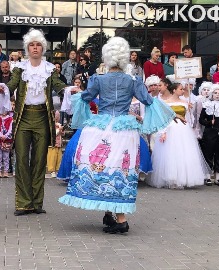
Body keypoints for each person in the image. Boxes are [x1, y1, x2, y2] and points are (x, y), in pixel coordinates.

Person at [58, 37, 176, 234]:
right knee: (120, 170)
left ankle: (121, 220)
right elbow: (148, 101)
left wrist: (77, 93)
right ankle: (112, 214)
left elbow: (85, 99)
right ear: (124, 59)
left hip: (101, 128)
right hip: (124, 130)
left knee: (101, 168)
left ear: (107, 56)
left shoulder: (98, 79)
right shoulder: (133, 81)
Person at [0, 28, 67, 216]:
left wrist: (69, 91)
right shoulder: (20, 68)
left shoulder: (50, 69)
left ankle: (36, 203)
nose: (35, 48)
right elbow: (12, 84)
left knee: (39, 161)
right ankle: (23, 203)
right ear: (27, 48)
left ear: (43, 48)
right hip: (23, 118)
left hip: (43, 117)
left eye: (38, 45)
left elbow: (59, 86)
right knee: (21, 160)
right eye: (31, 45)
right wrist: (3, 89)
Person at [148, 83, 209, 189]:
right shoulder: (165, 103)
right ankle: (171, 177)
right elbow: (163, 119)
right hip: (170, 128)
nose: (182, 90)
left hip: (183, 129)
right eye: (180, 89)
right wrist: (163, 132)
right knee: (170, 153)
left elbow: (189, 118)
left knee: (183, 152)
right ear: (174, 90)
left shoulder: (185, 103)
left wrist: (190, 111)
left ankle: (183, 177)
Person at [199, 84, 219, 186]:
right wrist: (208, 123)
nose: (217, 95)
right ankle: (207, 176)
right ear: (212, 94)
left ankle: (218, 177)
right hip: (210, 132)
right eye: (215, 93)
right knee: (208, 153)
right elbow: (201, 120)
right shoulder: (207, 104)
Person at [0, 108, 13, 178]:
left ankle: (6, 171)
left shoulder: (10, 119)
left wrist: (6, 136)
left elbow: (11, 129)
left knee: (6, 157)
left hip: (7, 140)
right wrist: (0, 135)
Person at [46, 110, 64, 178]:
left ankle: (57, 170)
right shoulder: (50, 124)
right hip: (52, 144)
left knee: (58, 158)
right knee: (52, 158)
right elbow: (53, 134)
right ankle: (52, 171)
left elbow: (60, 134)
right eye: (57, 116)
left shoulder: (58, 124)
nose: (58, 118)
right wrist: (59, 130)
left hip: (59, 143)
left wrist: (62, 131)